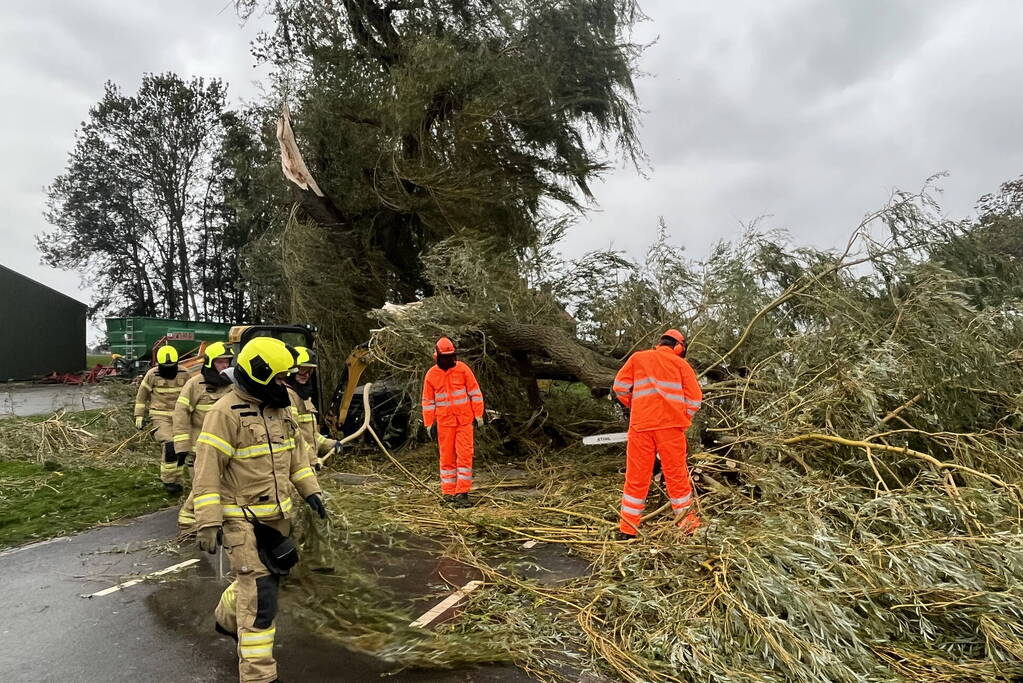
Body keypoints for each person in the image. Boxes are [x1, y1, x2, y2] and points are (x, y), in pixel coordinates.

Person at [192, 336, 326, 683]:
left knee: (265, 581)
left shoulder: (282, 409)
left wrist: (310, 491)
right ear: (260, 373)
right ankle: (258, 675)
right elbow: (206, 470)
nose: (286, 384)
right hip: (241, 519)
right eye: (281, 378)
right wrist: (207, 522)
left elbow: (296, 457)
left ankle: (225, 617)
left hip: (278, 518)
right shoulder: (224, 413)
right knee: (260, 599)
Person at [612, 329, 702, 539]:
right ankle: (688, 527)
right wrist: (684, 417)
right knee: (677, 478)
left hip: (641, 427)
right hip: (671, 430)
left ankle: (627, 529)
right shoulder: (681, 365)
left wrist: (636, 405)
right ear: (679, 347)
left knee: (635, 478)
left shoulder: (638, 358)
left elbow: (620, 387)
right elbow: (695, 400)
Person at [173, 341, 235, 530]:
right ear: (209, 363)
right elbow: (180, 415)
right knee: (203, 487)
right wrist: (182, 448)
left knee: (223, 484)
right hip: (200, 447)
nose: (225, 367)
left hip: (227, 447)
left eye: (227, 362)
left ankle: (216, 520)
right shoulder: (195, 385)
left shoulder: (233, 384)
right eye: (220, 363)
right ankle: (189, 522)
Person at [421, 337, 484, 508]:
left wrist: (478, 415)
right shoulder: (431, 375)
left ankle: (462, 493)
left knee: (465, 456)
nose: (449, 360)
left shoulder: (463, 369)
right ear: (437, 356)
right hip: (444, 423)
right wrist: (429, 424)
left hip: (464, 421)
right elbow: (428, 401)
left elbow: (475, 393)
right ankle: (448, 493)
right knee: (447, 458)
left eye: (451, 356)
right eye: (446, 357)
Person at [133, 345, 191, 494]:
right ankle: (169, 481)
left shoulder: (185, 373)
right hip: (160, 415)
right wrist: (139, 415)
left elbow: (194, 393)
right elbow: (142, 395)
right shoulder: (152, 374)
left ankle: (177, 479)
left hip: (181, 416)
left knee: (182, 449)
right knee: (170, 445)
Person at [284, 346, 342, 470]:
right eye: (301, 369)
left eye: (309, 370)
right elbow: (294, 437)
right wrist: (313, 459)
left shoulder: (303, 396)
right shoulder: (288, 397)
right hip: (298, 465)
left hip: (309, 465)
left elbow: (311, 435)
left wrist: (330, 444)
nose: (305, 375)